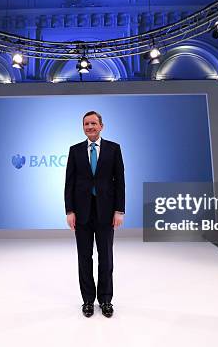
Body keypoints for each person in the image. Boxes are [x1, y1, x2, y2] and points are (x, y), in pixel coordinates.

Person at [64, 111, 125, 318]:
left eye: (93, 123)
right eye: (86, 124)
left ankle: (106, 300)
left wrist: (119, 210)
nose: (89, 127)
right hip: (81, 214)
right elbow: (69, 183)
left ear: (101, 126)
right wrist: (70, 211)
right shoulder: (75, 150)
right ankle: (88, 300)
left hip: (106, 213)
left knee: (106, 257)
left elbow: (120, 182)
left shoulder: (114, 149)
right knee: (84, 257)